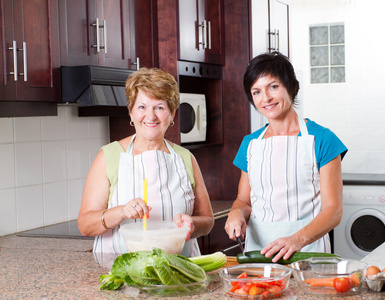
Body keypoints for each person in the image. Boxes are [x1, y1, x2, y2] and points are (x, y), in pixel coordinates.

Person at [224, 52, 347, 263]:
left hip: (307, 252)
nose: (266, 98)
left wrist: (297, 240)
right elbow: (244, 200)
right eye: (257, 92)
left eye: (273, 87)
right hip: (258, 254)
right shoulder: (250, 144)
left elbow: (333, 210)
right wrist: (235, 213)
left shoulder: (323, 139)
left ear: (291, 87)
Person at [78, 67, 214, 257]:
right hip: (120, 272)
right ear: (131, 112)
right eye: (142, 107)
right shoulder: (109, 156)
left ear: (172, 114)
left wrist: (192, 224)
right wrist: (121, 212)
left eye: (159, 107)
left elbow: (207, 220)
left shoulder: (185, 158)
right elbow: (85, 225)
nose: (151, 116)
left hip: (178, 273)